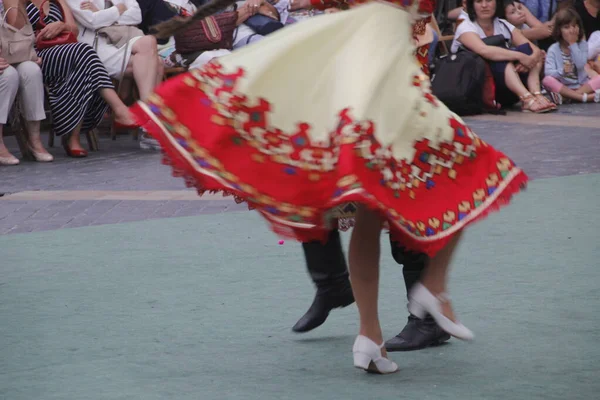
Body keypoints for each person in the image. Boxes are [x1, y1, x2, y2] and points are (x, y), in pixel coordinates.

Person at [131, 0, 528, 374]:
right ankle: (425, 294)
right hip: (389, 92)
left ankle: (373, 334)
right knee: (463, 168)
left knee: (376, 210)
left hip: (370, 93)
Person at [451, 0, 555, 112]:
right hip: (479, 88)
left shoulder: (502, 24)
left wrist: (529, 61)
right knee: (501, 58)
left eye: (489, 0)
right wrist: (519, 57)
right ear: (472, 5)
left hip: (507, 88)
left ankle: (536, 94)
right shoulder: (465, 25)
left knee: (528, 51)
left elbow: (535, 50)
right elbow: (483, 50)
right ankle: (526, 98)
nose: (484, 5)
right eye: (479, 1)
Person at [1, 0, 49, 165]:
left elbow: (16, 28)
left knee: (31, 70)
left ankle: (34, 140)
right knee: (8, 75)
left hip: (9, 53)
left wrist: (19, 2)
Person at [542, 7, 600, 103]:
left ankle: (570, 97)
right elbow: (548, 73)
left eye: (574, 26)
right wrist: (562, 72)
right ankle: (582, 98)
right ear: (559, 30)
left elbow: (580, 65)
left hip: (582, 85)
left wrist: (573, 44)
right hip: (563, 86)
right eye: (566, 27)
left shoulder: (582, 45)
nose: (571, 30)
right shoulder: (553, 49)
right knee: (547, 80)